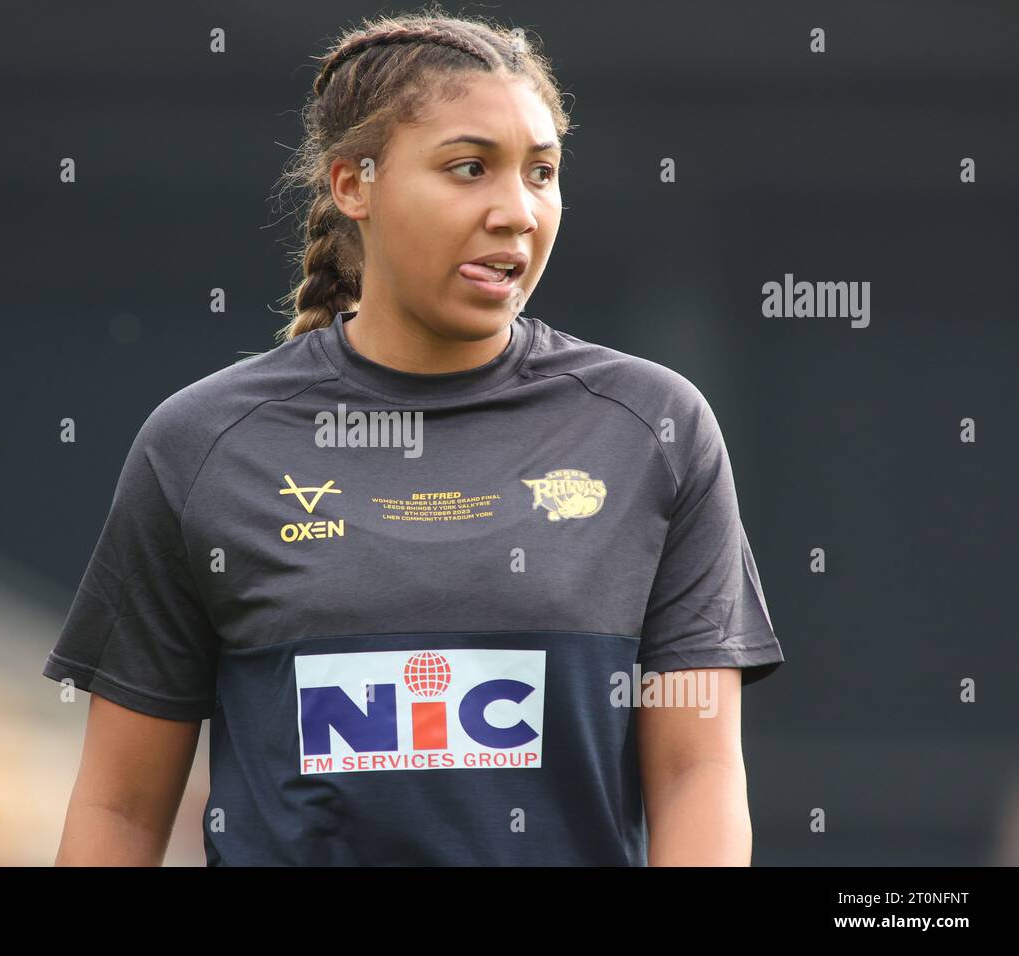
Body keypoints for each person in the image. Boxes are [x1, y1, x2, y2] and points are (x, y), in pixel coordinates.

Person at [43, 8, 784, 866]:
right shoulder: (201, 444)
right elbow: (120, 812)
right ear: (353, 185)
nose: (516, 211)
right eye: (469, 168)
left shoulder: (654, 428)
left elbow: (698, 773)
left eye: (541, 173)